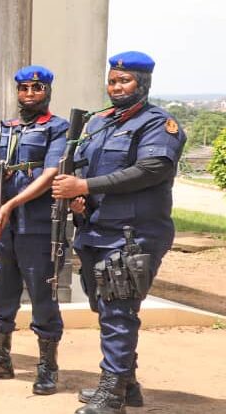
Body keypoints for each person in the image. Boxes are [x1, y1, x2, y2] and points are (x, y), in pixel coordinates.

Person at [52, 51, 185, 414]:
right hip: (96, 230)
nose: (116, 87)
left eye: (124, 81)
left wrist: (85, 184)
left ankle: (112, 395)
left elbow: (151, 169)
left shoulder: (158, 124)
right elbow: (83, 169)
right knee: (104, 306)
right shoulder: (99, 123)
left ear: (142, 83)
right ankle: (128, 385)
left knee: (118, 312)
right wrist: (82, 200)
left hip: (134, 232)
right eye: (112, 80)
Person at [0, 65, 67, 395]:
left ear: (47, 91)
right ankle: (0, 359)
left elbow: (51, 174)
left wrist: (12, 203)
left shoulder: (57, 127)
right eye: (24, 89)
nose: (29, 94)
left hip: (35, 224)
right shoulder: (5, 128)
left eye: (37, 88)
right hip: (1, 223)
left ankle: (47, 367)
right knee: (0, 291)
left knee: (42, 295)